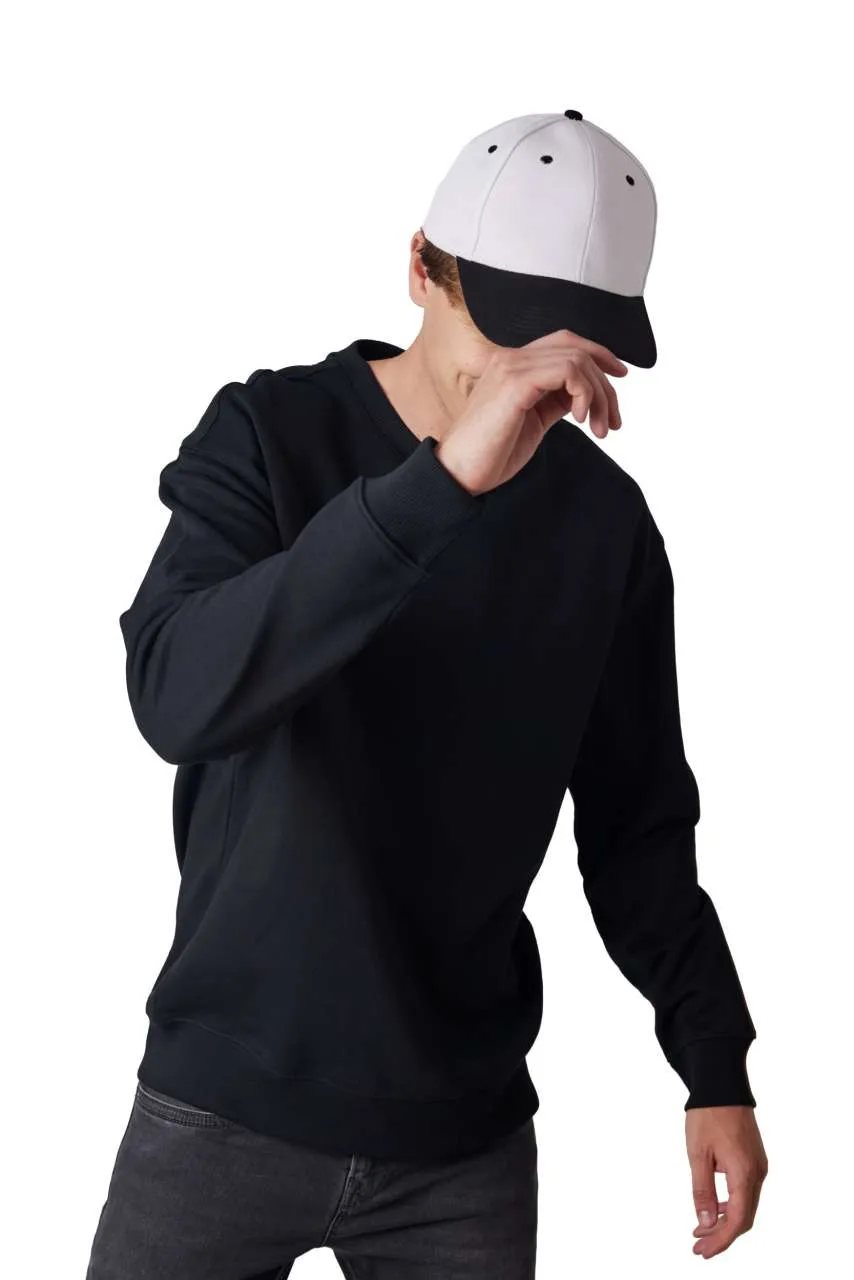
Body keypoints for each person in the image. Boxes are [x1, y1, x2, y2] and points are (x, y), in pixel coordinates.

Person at [86, 109, 768, 1278]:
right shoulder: (268, 433)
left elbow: (637, 826)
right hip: (221, 1109)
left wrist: (714, 1066)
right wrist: (441, 483)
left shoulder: (603, 526)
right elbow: (176, 697)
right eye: (505, 320)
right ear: (418, 265)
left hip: (459, 1145)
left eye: (569, 331)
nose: (525, 368)